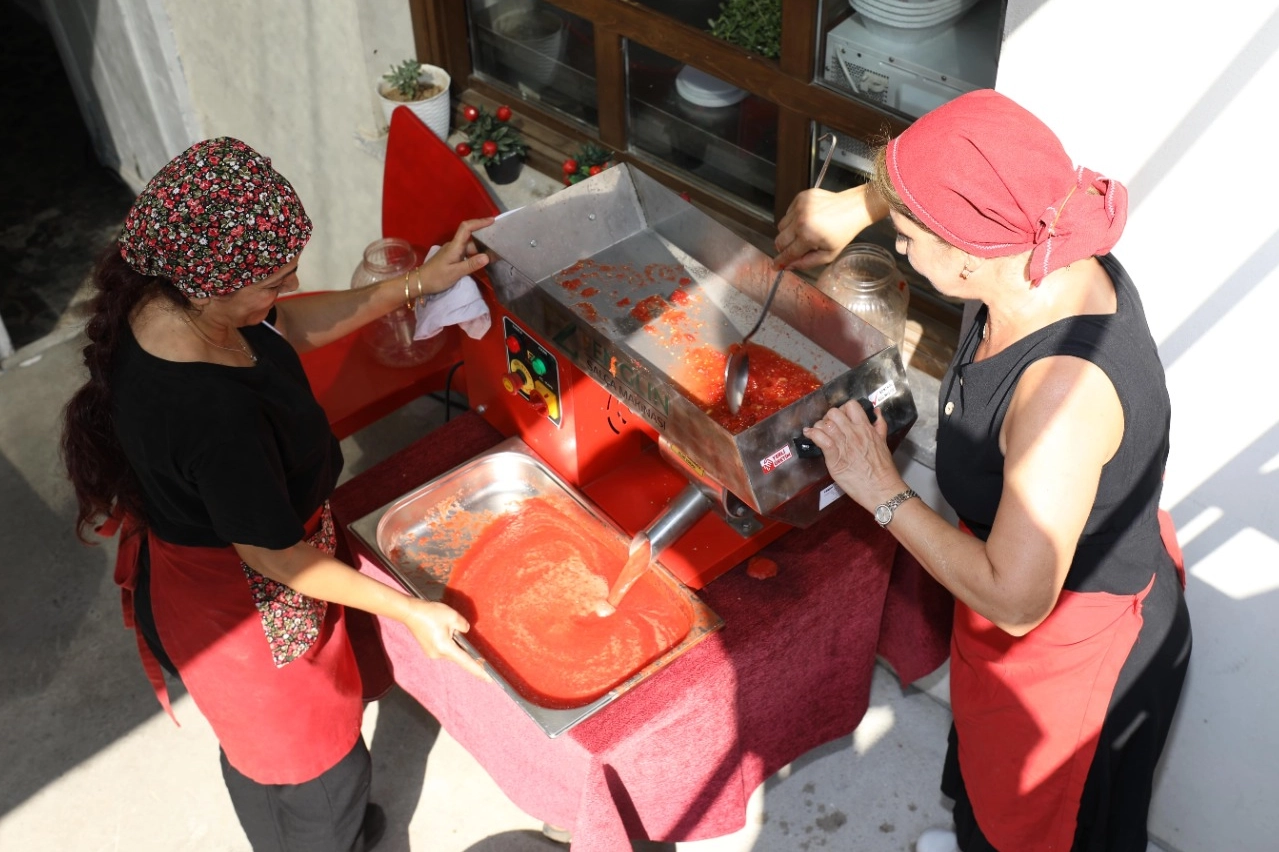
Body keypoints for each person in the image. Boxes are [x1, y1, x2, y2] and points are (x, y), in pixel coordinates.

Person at [777, 90, 1192, 851]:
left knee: (1039, 827)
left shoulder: (1063, 394)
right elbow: (961, 168)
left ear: (967, 250)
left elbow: (1016, 600)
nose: (900, 250)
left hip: (1069, 648)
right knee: (982, 779)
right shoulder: (1034, 245)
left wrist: (881, 490)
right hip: (1007, 598)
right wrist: (852, 207)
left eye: (906, 238)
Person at [60, 136, 493, 852]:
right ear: (209, 286)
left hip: (198, 579)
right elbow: (277, 558)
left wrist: (417, 283)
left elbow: (286, 327)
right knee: (318, 770)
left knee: (257, 761)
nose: (289, 288)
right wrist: (411, 611)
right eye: (273, 280)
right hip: (247, 615)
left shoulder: (165, 299)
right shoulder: (211, 415)